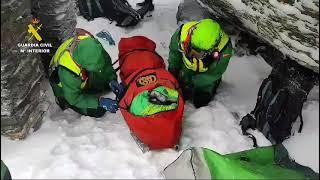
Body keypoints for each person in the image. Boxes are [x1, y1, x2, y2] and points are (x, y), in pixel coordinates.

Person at [115, 36, 184, 150]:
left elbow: (123, 103)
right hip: (160, 81)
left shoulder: (126, 59)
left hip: (137, 86)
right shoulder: (154, 57)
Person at [48, 28, 120, 117]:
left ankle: (89, 88)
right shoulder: (67, 71)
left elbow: (105, 64)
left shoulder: (93, 45)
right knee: (98, 110)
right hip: (66, 89)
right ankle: (63, 101)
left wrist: (111, 80)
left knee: (105, 85)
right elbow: (74, 99)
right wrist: (99, 102)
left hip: (81, 74)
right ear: (82, 65)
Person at [168, 18, 233, 108]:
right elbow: (174, 52)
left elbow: (215, 73)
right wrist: (173, 69)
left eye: (198, 53)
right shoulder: (182, 33)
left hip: (207, 75)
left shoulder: (225, 48)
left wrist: (194, 84)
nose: (193, 56)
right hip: (186, 68)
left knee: (201, 102)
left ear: (212, 49)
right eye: (192, 50)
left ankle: (205, 90)